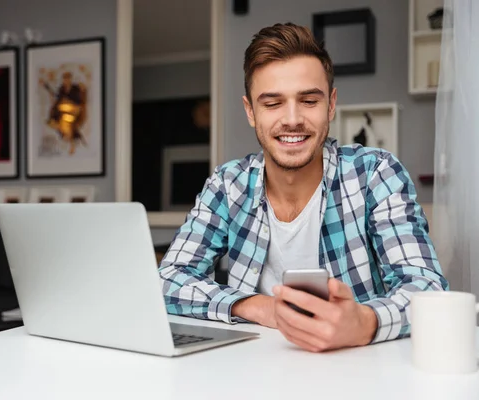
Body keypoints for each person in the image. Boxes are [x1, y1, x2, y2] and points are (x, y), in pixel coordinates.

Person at [158, 22, 449, 352]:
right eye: (272, 103)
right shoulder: (227, 185)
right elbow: (167, 279)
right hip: (251, 369)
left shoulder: (376, 173)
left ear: (331, 104)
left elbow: (427, 289)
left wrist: (365, 323)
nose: (292, 119)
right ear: (250, 111)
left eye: (309, 100)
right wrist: (255, 306)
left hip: (360, 368)